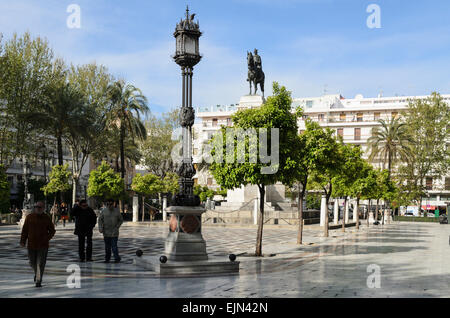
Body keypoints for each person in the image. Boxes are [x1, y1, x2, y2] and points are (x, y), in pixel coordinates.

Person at [20, 201, 56, 287]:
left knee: (40, 264)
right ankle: (37, 274)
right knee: (32, 263)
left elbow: (52, 231)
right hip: (31, 244)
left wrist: (46, 238)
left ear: (43, 208)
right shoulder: (29, 217)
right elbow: (24, 230)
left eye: (39, 207)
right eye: (36, 207)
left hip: (43, 245)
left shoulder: (46, 218)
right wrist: (22, 241)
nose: (37, 208)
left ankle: (38, 280)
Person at [98, 199, 123, 263]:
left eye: (111, 204)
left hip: (114, 232)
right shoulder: (103, 211)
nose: (109, 205)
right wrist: (100, 228)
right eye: (108, 204)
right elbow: (100, 220)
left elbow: (121, 220)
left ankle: (116, 258)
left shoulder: (117, 211)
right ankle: (107, 259)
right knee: (107, 247)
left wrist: (117, 226)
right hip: (106, 232)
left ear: (113, 204)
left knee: (114, 246)